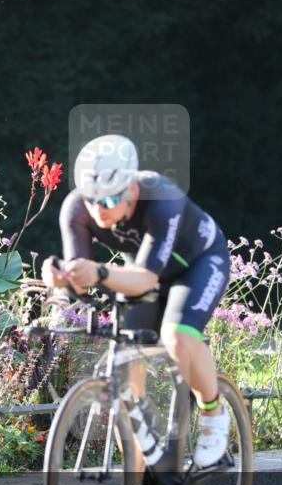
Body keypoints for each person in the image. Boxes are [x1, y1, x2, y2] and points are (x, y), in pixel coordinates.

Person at [41, 134, 233, 466]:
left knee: (178, 337)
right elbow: (81, 283)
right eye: (91, 199)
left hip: (199, 263)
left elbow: (145, 279)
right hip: (143, 271)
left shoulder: (162, 197)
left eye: (108, 199)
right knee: (124, 376)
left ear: (130, 189)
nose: (98, 209)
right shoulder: (76, 209)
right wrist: (62, 279)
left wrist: (99, 273)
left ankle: (213, 414)